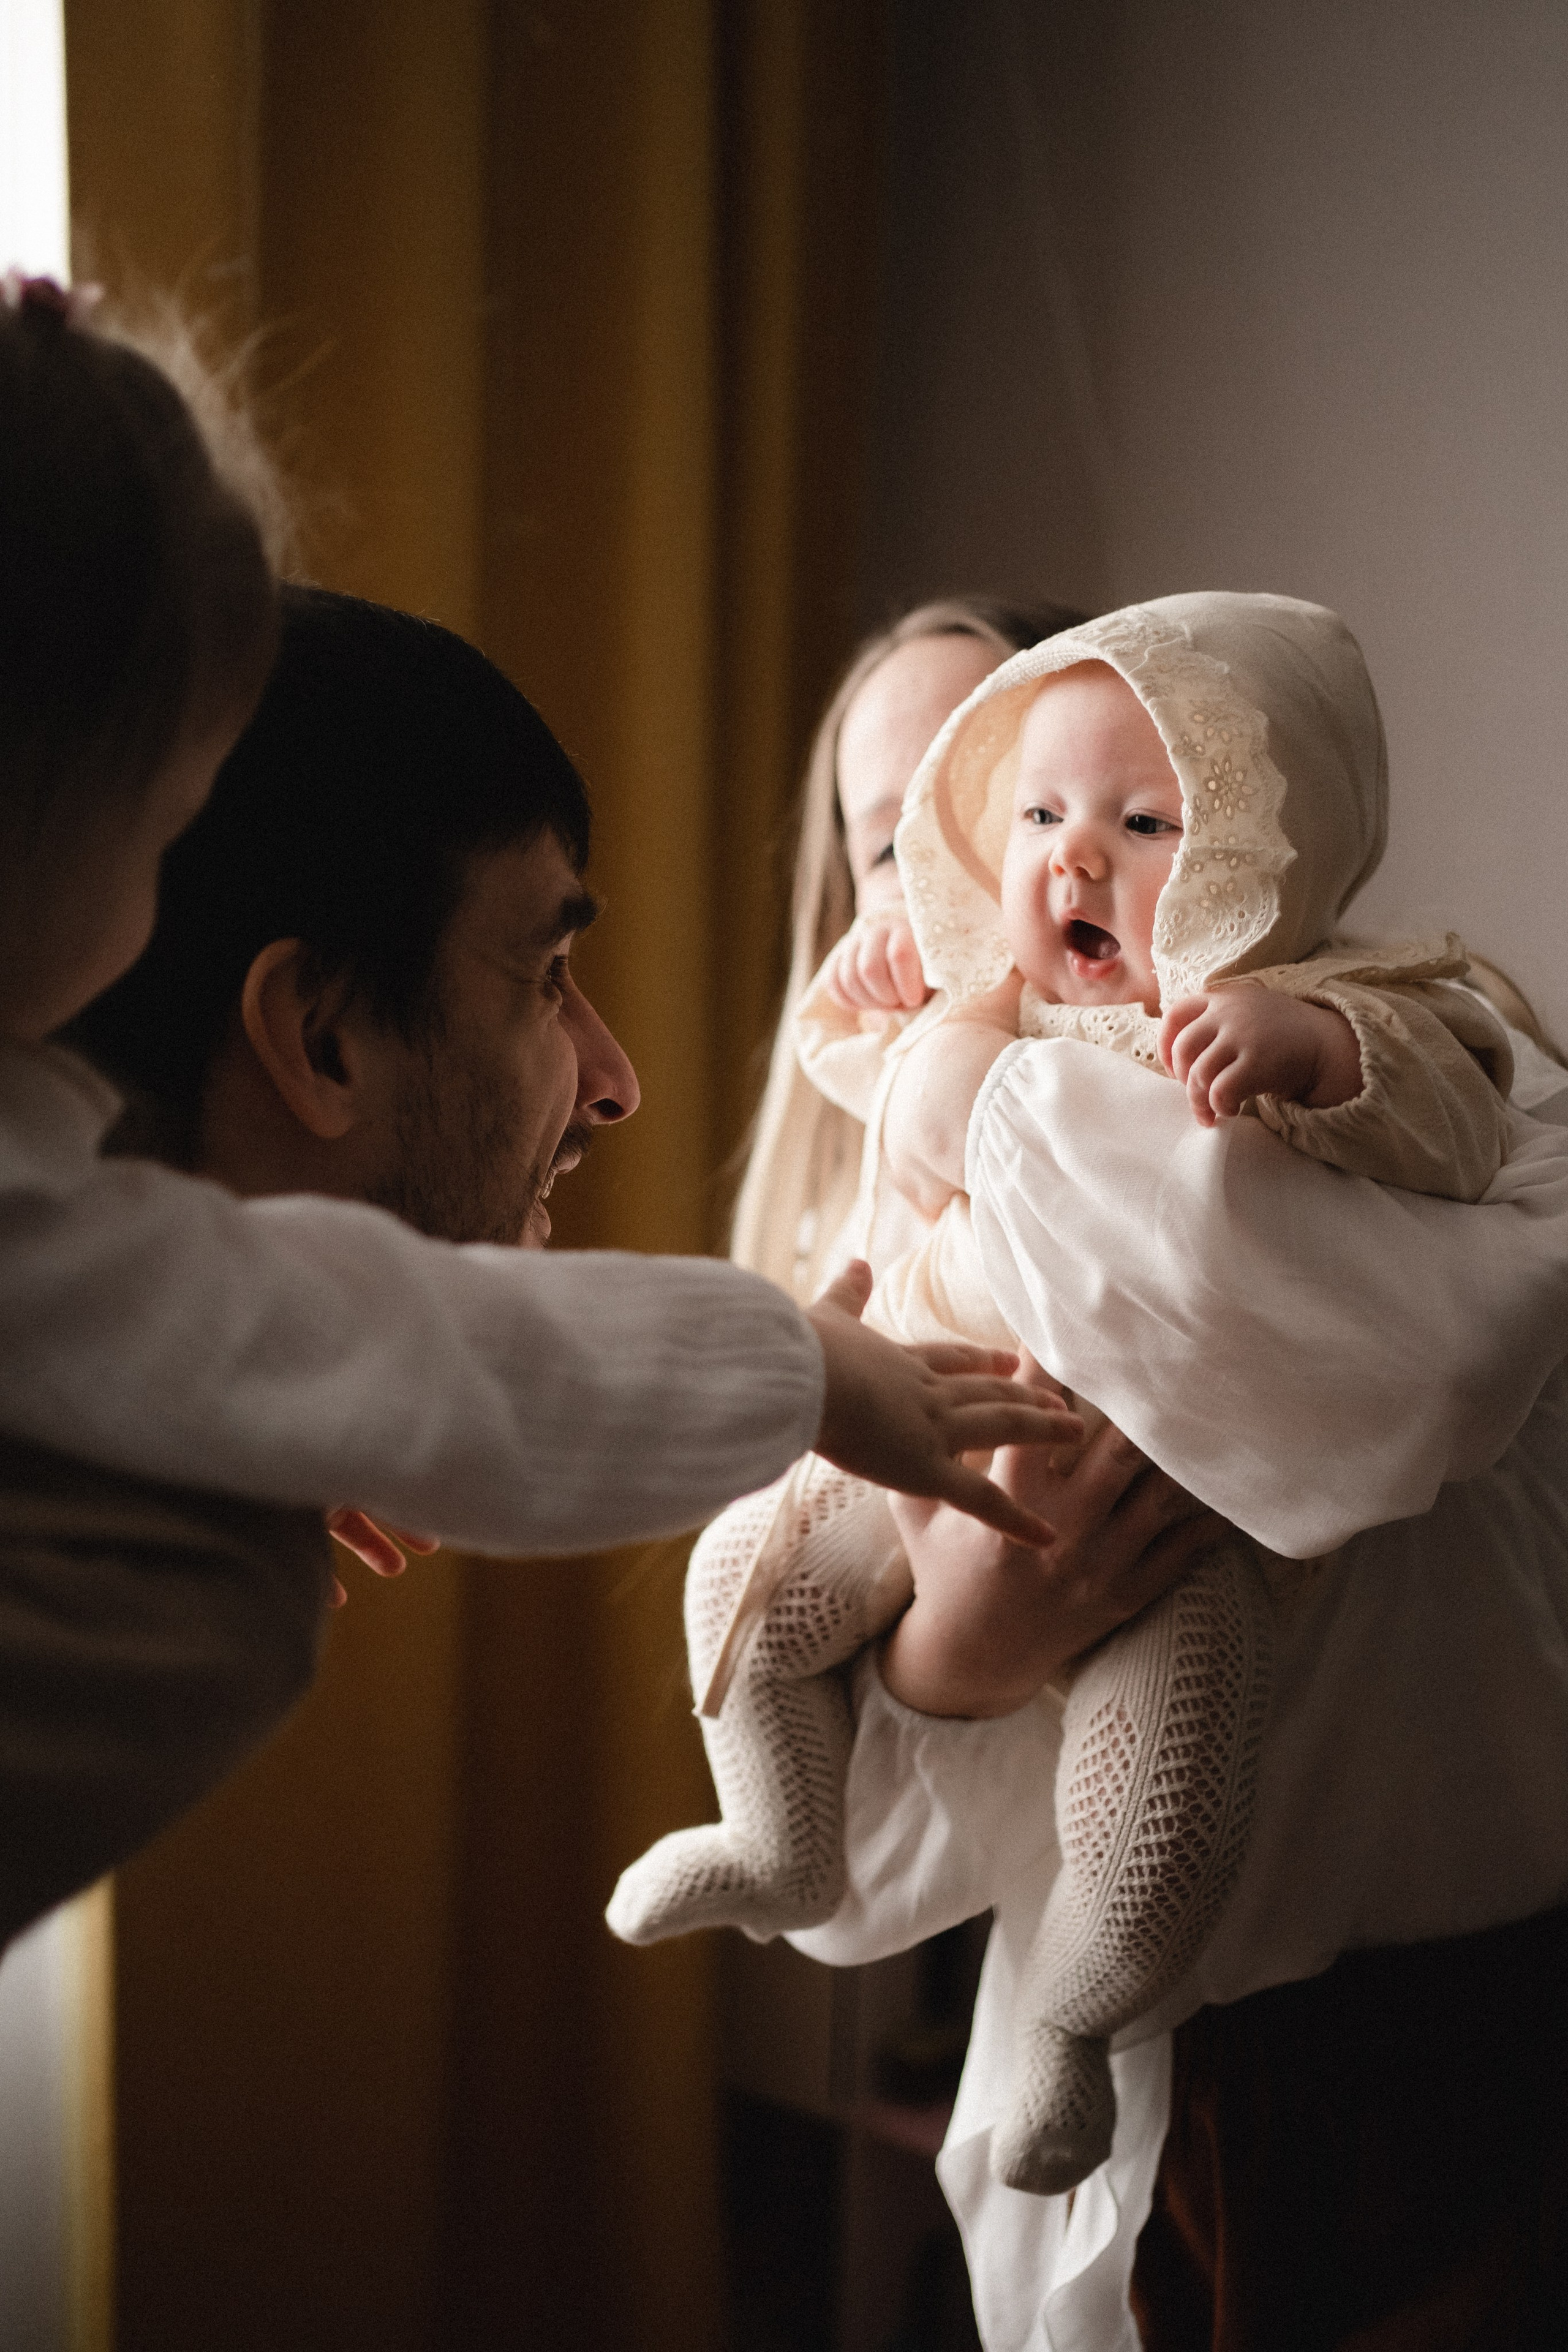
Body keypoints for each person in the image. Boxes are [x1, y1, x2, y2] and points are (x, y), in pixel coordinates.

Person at [0, 281, 1068, 1940]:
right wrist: (813, 1385)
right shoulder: (189, 1589)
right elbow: (455, 1357)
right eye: (542, 972)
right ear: (320, 1039)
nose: (620, 1081)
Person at [608, 594, 1518, 2198]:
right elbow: (868, 1907)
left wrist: (1268, 1054)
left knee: (1173, 1743)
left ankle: (1092, 2016)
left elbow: (1437, 1354)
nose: (1040, 865)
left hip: (1386, 2002)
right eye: (913, 841)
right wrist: (969, 1644)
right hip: (1112, 2093)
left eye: (1125, 811)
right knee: (746, 1595)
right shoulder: (864, 1226)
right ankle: (778, 1824)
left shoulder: (1312, 1052)